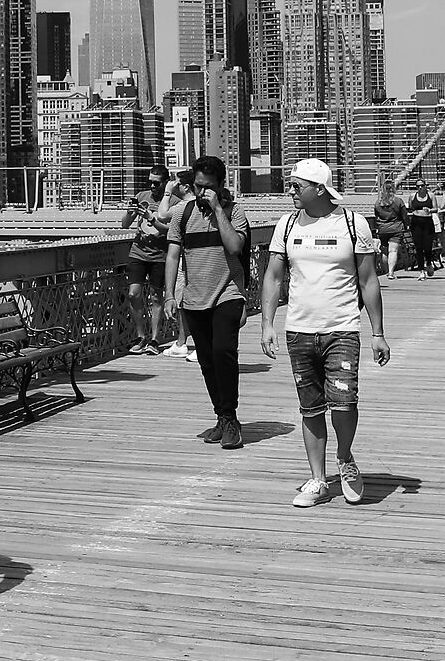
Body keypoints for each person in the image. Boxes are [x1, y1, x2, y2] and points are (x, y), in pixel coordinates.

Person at [259, 159, 390, 505]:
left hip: (342, 328)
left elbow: (368, 279)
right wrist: (267, 324)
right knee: (311, 407)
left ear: (319, 188)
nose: (290, 191)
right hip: (298, 330)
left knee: (344, 403)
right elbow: (273, 277)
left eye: (296, 186)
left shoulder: (351, 223)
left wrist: (378, 332)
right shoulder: (286, 225)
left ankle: (345, 459)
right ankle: (317, 479)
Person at [164, 154, 253, 448]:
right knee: (207, 362)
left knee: (223, 352)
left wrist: (217, 209)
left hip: (227, 294)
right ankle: (221, 416)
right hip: (193, 297)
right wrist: (169, 294)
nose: (202, 192)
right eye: (198, 186)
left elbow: (235, 245)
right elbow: (173, 255)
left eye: (208, 187)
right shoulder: (183, 213)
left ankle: (230, 418)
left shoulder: (234, 212)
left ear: (221, 185)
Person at [117, 169, 179, 352]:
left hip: (160, 255)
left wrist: (150, 218)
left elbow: (172, 230)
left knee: (155, 297)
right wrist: (130, 212)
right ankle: (140, 336)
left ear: (166, 182)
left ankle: (154, 339)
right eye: (150, 182)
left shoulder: (174, 203)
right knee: (133, 294)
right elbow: (125, 224)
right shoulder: (141, 196)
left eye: (157, 183)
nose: (152, 186)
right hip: (138, 252)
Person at [369, 183, 410, 278]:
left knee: (384, 251)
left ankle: (386, 271)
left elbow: (376, 216)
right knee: (393, 251)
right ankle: (391, 272)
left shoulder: (378, 203)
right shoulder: (398, 201)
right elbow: (404, 215)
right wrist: (407, 225)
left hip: (383, 229)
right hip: (396, 228)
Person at [407, 183, 441, 277]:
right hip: (416, 222)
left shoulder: (431, 195)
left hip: (427, 222)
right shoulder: (412, 196)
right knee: (418, 248)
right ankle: (421, 270)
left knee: (427, 246)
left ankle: (429, 263)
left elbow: (436, 208)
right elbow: (410, 208)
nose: (420, 187)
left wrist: (429, 210)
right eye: (418, 186)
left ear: (425, 186)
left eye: (422, 185)